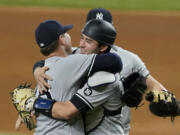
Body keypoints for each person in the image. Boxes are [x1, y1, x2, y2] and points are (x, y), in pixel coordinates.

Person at [32, 8, 172, 135]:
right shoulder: (79, 54)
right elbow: (53, 63)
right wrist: (37, 70)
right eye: (84, 37)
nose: (82, 43)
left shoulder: (127, 60)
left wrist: (166, 98)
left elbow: (152, 84)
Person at [20, 19, 123, 135]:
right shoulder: (74, 61)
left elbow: (115, 61)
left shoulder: (47, 70)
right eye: (81, 38)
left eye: (88, 41)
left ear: (103, 47)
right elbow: (115, 60)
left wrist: (33, 102)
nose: (80, 45)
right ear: (61, 39)